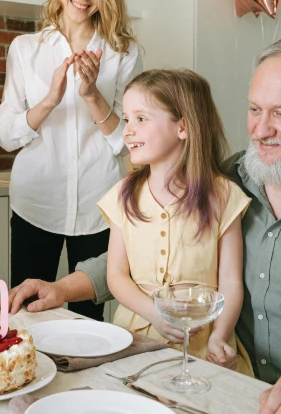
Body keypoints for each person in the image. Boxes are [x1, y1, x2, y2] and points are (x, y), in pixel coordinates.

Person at [1, 37, 281, 414]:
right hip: (230, 386)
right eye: (254, 109)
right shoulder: (232, 176)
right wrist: (63, 288)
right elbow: (145, 244)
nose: (261, 130)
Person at [0, 0, 142, 321]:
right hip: (35, 204)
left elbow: (127, 142)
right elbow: (7, 135)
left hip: (98, 203)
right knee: (27, 315)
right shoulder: (25, 49)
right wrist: (48, 100)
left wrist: (92, 94)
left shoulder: (123, 53)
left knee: (88, 324)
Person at [101, 69, 253, 375]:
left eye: (141, 119)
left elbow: (231, 282)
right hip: (136, 335)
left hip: (201, 339)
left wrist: (221, 336)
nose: (127, 130)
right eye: (126, 119)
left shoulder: (224, 196)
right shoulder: (122, 195)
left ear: (182, 127)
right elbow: (116, 275)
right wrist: (155, 314)